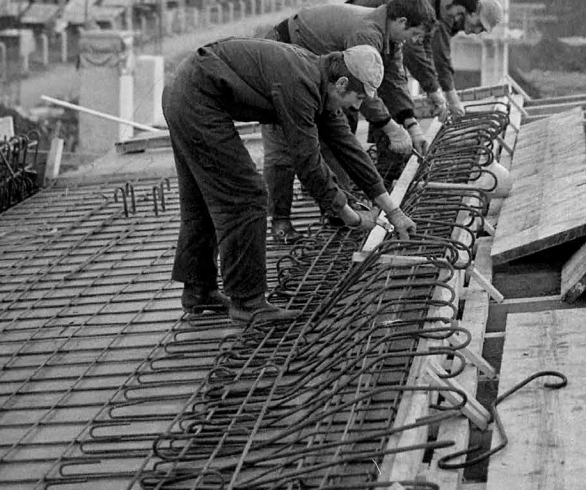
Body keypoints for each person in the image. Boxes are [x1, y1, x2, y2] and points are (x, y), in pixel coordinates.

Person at [162, 39, 416, 329]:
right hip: (195, 98)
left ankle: (199, 290)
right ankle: (248, 303)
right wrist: (349, 215)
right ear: (343, 84)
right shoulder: (301, 84)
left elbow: (349, 148)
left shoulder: (319, 80)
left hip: (183, 91)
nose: (357, 107)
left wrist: (393, 212)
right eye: (357, 99)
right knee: (246, 195)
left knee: (202, 197)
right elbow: (307, 161)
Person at [263, 0, 436, 241]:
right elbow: (363, 90)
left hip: (317, 69)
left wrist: (410, 125)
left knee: (338, 135)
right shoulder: (366, 33)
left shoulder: (390, 38)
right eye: (415, 34)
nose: (415, 40)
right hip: (285, 57)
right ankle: (281, 222)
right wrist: (389, 127)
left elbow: (393, 81)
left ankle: (336, 209)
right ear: (402, 22)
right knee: (284, 146)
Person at [348, 0, 503, 120]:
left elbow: (427, 53)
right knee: (350, 102)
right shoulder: (425, 4)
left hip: (370, 41)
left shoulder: (434, 8)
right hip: (354, 35)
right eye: (479, 25)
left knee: (391, 96)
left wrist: (433, 91)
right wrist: (438, 92)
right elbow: (417, 52)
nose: (476, 31)